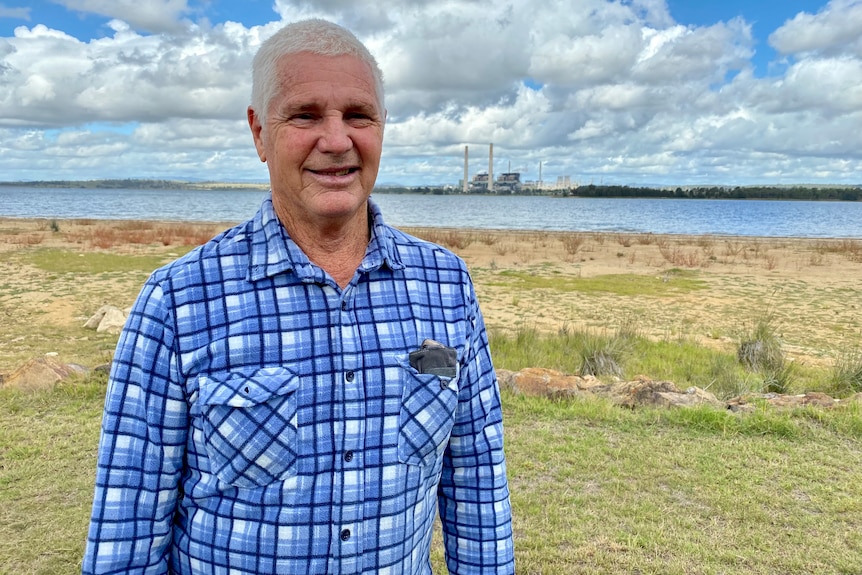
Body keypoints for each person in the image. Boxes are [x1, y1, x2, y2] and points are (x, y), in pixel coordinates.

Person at [82, 18, 514, 575]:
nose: (336, 141)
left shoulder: (447, 285)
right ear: (259, 133)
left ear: (382, 127)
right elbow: (128, 531)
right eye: (305, 115)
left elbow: (477, 481)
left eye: (358, 115)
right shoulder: (177, 302)